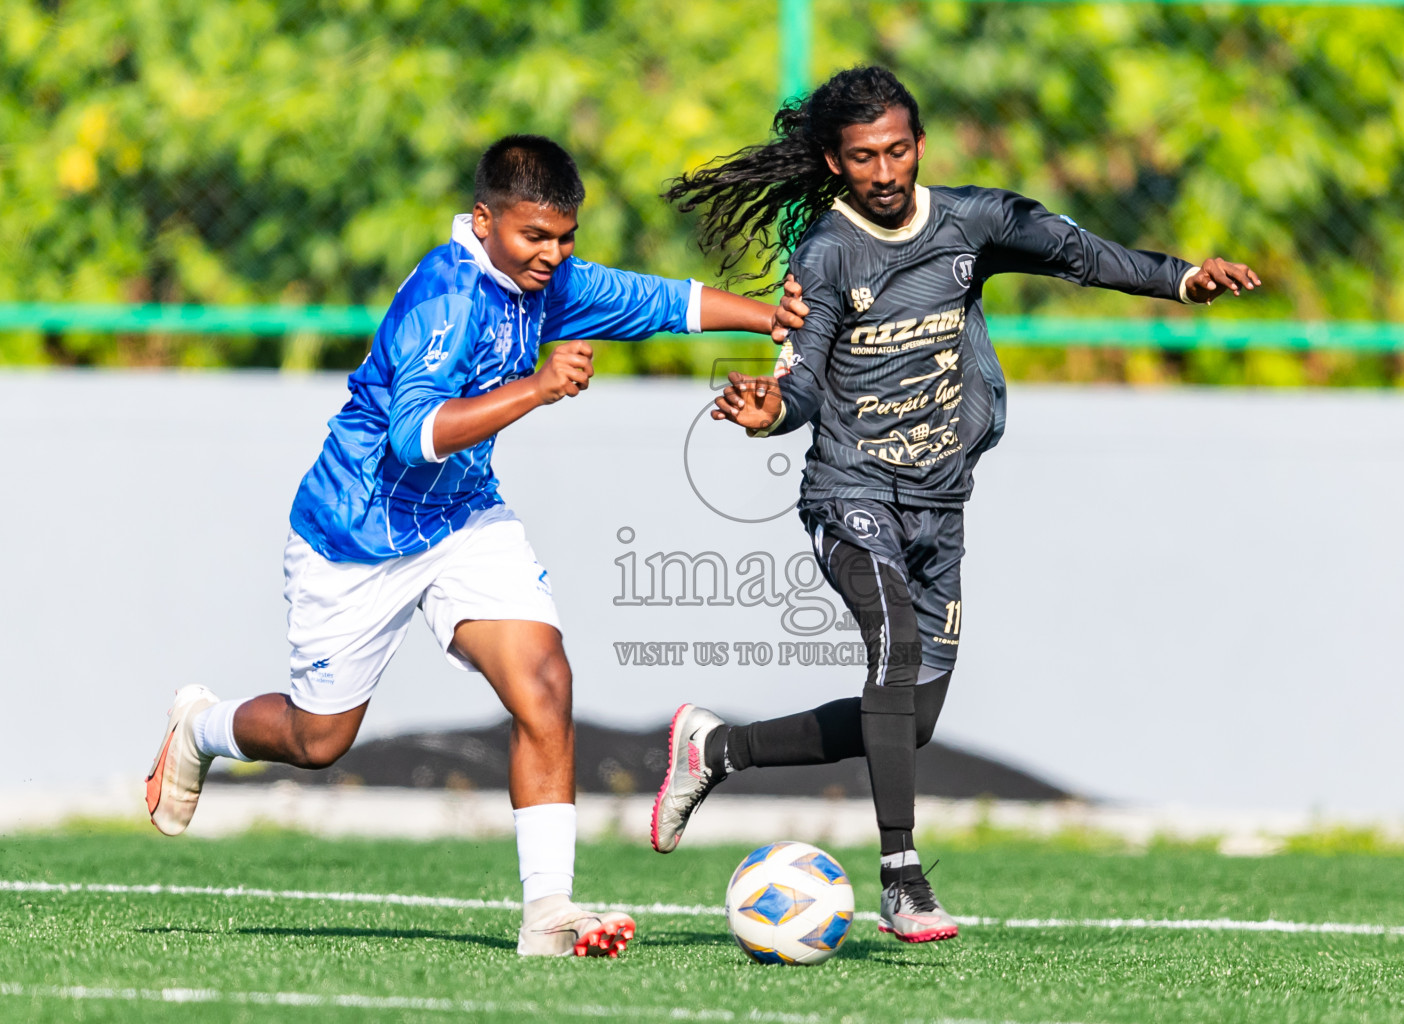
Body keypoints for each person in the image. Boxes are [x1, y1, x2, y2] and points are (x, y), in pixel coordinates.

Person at [143, 134, 802, 958]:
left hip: (462, 522)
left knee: (545, 681)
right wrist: (537, 386)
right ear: (485, 220)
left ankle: (548, 914)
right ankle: (202, 727)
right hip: (357, 534)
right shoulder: (444, 298)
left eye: (566, 237)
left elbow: (658, 301)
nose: (554, 255)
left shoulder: (548, 277)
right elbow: (417, 434)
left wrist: (766, 313)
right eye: (536, 237)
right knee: (319, 742)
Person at [650, 66, 1260, 943]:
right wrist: (771, 412)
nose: (885, 171)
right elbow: (804, 384)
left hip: (941, 504)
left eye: (898, 149)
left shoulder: (974, 222)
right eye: (864, 158)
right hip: (849, 492)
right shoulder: (826, 254)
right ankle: (902, 876)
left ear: (920, 145)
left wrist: (1180, 279)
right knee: (891, 650)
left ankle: (716, 750)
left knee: (913, 715)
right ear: (834, 162)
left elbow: (1078, 253)